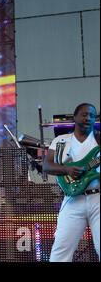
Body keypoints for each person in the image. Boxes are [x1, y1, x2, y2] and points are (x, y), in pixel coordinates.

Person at [43, 103, 100, 261]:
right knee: (60, 250)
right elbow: (46, 165)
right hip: (72, 199)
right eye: (84, 114)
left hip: (98, 199)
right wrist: (67, 170)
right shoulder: (61, 140)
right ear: (74, 117)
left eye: (92, 115)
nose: (88, 117)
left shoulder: (98, 139)